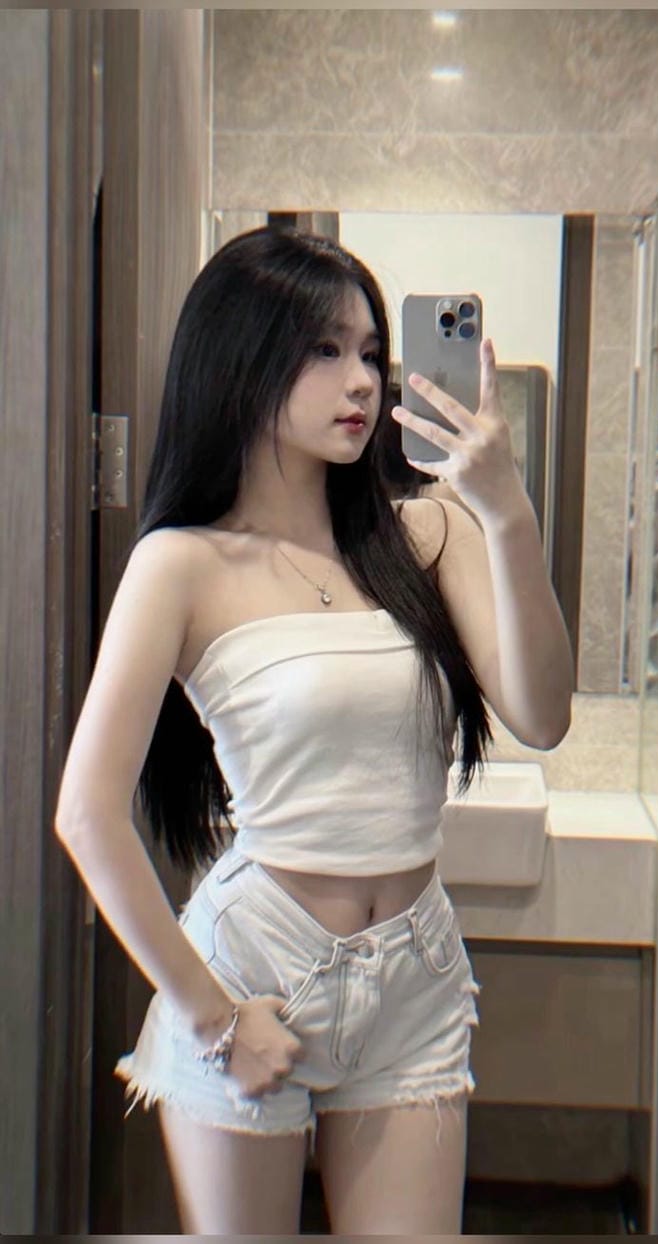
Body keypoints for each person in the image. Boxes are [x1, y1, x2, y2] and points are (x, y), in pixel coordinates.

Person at [55, 226, 574, 1235]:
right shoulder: (183, 564)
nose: (363, 380)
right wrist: (211, 1014)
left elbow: (542, 716)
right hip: (256, 968)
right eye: (325, 350)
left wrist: (507, 513)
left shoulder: (428, 534)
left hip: (414, 973)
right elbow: (87, 814)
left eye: (372, 352)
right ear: (241, 361)